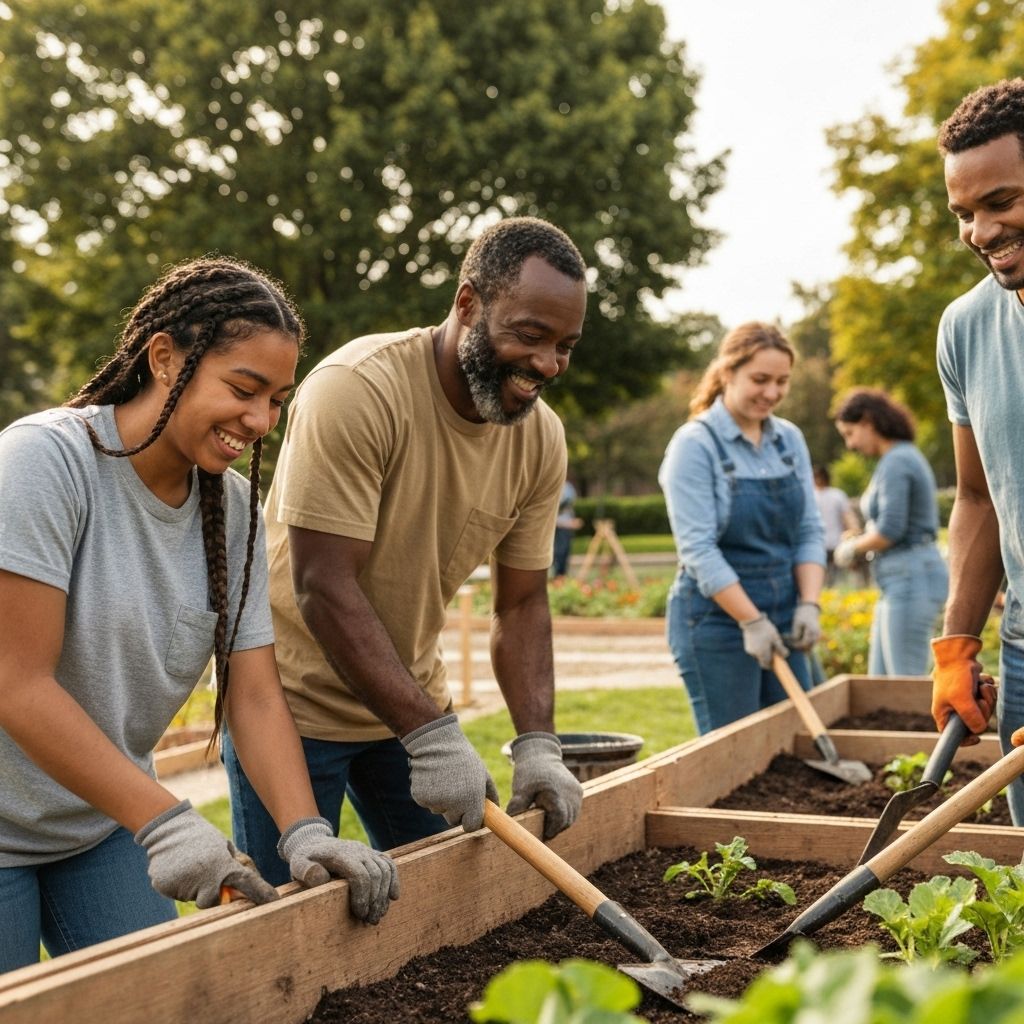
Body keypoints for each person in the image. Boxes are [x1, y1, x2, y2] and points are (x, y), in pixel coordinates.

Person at [0, 257, 398, 974]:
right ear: (163, 356)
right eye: (243, 389)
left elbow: (253, 692)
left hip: (97, 828)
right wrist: (166, 820)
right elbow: (16, 682)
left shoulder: (233, 512)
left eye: (276, 400)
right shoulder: (44, 464)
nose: (259, 420)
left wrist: (305, 830)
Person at [223, 217, 587, 881]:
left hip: (409, 702)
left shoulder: (540, 440)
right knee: (284, 931)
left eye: (565, 345)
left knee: (448, 906)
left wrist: (538, 742)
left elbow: (524, 601)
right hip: (290, 710)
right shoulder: (359, 390)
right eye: (530, 336)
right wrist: (430, 735)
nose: (547, 364)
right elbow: (324, 585)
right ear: (468, 304)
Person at [930, 78, 1024, 823]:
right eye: (965, 212)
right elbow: (978, 495)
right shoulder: (965, 328)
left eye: (1001, 202)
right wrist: (957, 643)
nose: (981, 231)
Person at [658, 322, 826, 735]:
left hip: (785, 610)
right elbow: (699, 550)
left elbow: (808, 530)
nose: (771, 393)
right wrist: (751, 620)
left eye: (782, 381)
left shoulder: (789, 439)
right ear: (727, 372)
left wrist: (809, 603)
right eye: (760, 379)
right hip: (715, 622)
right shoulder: (695, 445)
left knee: (793, 741)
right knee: (733, 756)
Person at [832, 389, 949, 676]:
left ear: (868, 422)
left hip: (911, 578)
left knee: (903, 687)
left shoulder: (898, 460)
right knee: (880, 684)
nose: (850, 445)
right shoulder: (897, 459)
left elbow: (889, 531)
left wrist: (849, 549)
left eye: (850, 433)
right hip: (900, 580)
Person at [812, 464, 856, 585]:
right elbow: (850, 521)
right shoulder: (837, 494)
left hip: (819, 545)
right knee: (837, 582)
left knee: (821, 583)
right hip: (835, 544)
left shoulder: (810, 496)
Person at [552, 478, 583, 578]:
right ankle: (557, 578)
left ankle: (561, 578)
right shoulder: (552, 485)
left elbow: (570, 509)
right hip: (558, 527)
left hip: (567, 528)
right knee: (558, 554)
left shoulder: (568, 487)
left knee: (565, 554)